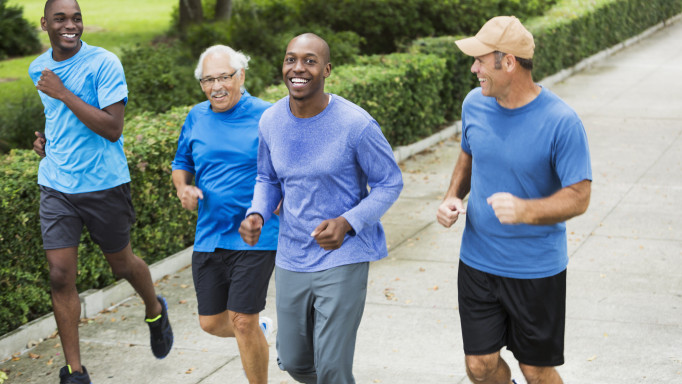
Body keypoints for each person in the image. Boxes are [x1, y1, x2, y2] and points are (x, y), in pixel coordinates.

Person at [239, 33, 403, 384]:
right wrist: (258, 213)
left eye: (310, 60)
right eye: (290, 59)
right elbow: (267, 179)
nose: (298, 68)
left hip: (343, 255)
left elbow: (390, 182)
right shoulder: (270, 120)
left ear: (327, 69)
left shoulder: (355, 125)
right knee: (296, 362)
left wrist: (348, 221)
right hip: (292, 254)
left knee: (331, 367)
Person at [436, 16, 592, 384]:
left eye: (480, 60)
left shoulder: (561, 122)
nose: (474, 68)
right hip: (477, 263)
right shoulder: (474, 103)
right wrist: (452, 196)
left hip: (535, 270)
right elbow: (468, 154)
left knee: (535, 369)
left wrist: (526, 209)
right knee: (479, 365)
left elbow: (580, 197)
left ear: (508, 62)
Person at [29, 0, 173, 382]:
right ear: (45, 23)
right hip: (57, 184)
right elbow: (58, 119)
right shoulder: (36, 68)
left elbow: (112, 128)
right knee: (60, 276)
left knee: (121, 264)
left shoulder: (104, 63)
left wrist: (64, 93)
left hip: (104, 184)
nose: (70, 25)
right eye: (60, 18)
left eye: (76, 18)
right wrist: (46, 142)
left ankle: (155, 307)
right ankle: (75, 372)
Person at [171, 44, 279, 384]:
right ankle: (258, 331)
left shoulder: (268, 115)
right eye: (207, 80)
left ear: (241, 76)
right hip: (210, 233)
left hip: (256, 234)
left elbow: (289, 166)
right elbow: (181, 164)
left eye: (224, 77)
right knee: (212, 322)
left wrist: (281, 198)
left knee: (242, 319)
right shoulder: (196, 116)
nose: (216, 86)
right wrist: (183, 189)